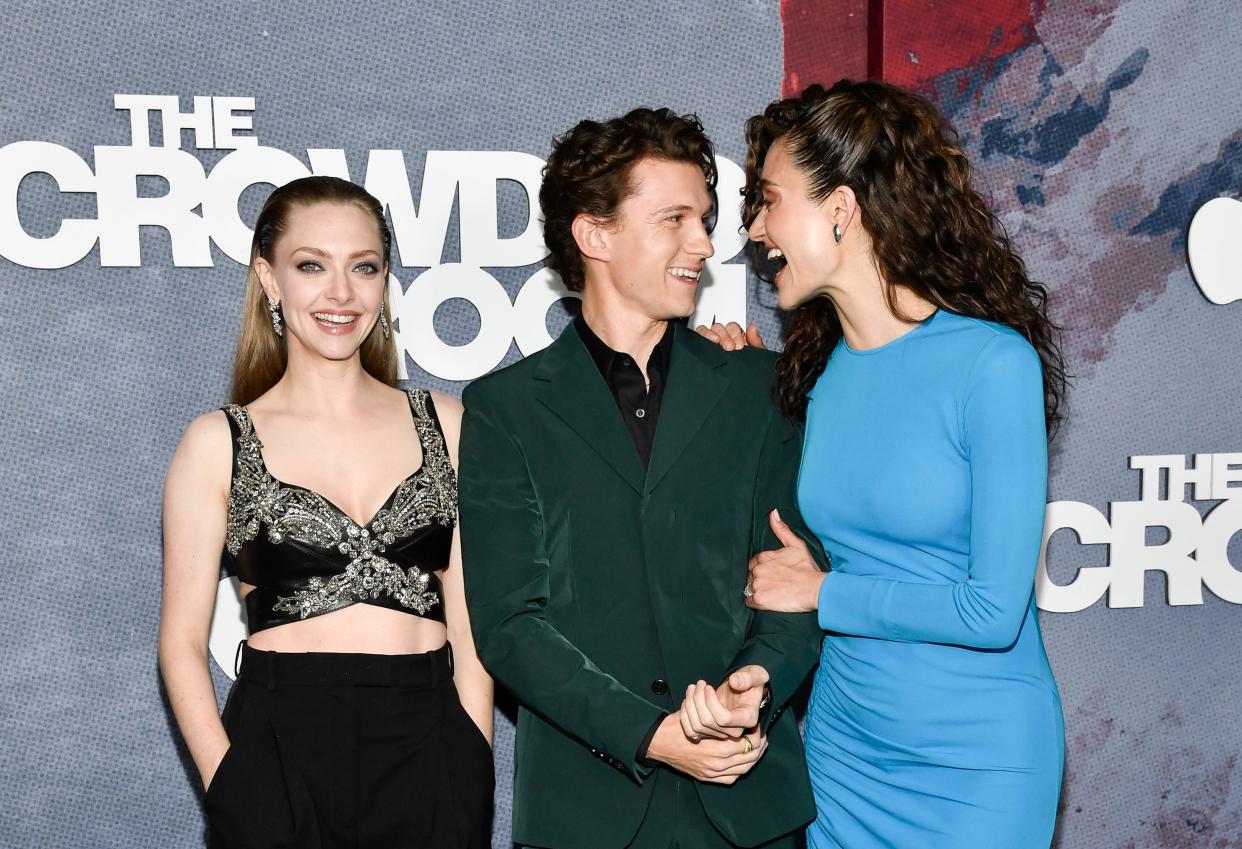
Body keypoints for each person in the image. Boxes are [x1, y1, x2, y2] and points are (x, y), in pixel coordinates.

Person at [699, 79, 1067, 849]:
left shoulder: (991, 366)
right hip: (844, 761)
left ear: (841, 209)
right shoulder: (810, 380)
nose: (757, 230)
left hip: (980, 768)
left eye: (770, 201)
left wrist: (826, 592)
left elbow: (991, 612)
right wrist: (741, 399)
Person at [458, 108, 824, 849]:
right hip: (588, 814)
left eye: (706, 219)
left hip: (747, 805)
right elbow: (509, 626)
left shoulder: (759, 386)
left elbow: (795, 578)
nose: (705, 242)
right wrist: (653, 734)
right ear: (595, 235)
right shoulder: (505, 410)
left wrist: (750, 689)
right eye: (675, 219)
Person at [159, 176, 493, 849]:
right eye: (312, 265)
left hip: (429, 748)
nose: (340, 293)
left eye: (362, 267)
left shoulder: (448, 426)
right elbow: (181, 642)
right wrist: (231, 785)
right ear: (270, 278)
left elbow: (474, 624)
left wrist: (471, 755)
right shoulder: (217, 442)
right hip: (278, 750)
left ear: (384, 281)